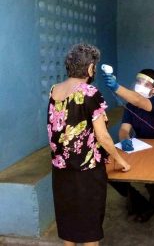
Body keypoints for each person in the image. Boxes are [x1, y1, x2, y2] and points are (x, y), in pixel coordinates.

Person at [47, 44, 130, 246]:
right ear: (91, 67)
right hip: (87, 171)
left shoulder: (54, 90)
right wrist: (120, 160)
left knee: (68, 220)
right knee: (89, 226)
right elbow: (103, 136)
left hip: (60, 169)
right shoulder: (90, 92)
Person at [103, 68, 154, 223]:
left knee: (152, 177)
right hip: (139, 146)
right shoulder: (130, 106)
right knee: (112, 173)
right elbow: (124, 129)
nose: (139, 85)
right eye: (138, 81)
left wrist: (116, 87)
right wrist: (125, 139)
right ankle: (137, 200)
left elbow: (139, 101)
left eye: (145, 83)